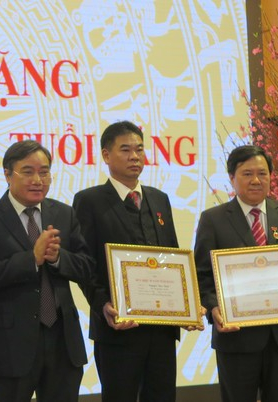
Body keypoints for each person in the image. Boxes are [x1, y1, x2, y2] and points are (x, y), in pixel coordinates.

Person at [72, 120, 193, 402]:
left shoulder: (159, 199)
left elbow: (172, 257)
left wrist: (186, 304)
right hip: (117, 328)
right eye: (125, 150)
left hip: (162, 328)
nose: (135, 157)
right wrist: (103, 304)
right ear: (106, 155)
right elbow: (84, 265)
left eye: (139, 149)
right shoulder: (89, 201)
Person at [194, 144, 278, 402]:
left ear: (270, 176)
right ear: (232, 177)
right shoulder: (213, 219)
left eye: (262, 173)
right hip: (236, 338)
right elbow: (202, 275)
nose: (256, 180)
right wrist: (213, 307)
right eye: (247, 174)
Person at [0, 140, 92, 401]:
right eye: (27, 172)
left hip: (63, 343)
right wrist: (31, 259)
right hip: (10, 346)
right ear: (7, 175)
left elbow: (87, 267)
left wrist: (58, 259)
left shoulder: (64, 213)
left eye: (44, 172)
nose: (38, 180)